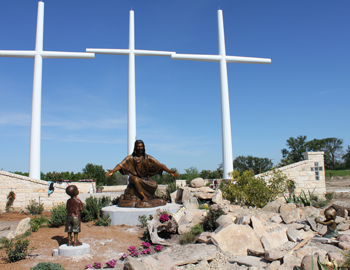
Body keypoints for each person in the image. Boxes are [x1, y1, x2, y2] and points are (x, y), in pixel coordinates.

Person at [105, 140, 178, 207]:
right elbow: (121, 165)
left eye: (141, 146)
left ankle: (150, 196)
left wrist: (170, 172)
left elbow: (159, 165)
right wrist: (113, 171)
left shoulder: (147, 157)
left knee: (154, 184)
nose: (140, 148)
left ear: (143, 147)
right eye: (138, 146)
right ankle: (143, 197)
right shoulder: (131, 158)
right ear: (135, 147)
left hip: (144, 178)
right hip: (133, 179)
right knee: (136, 180)